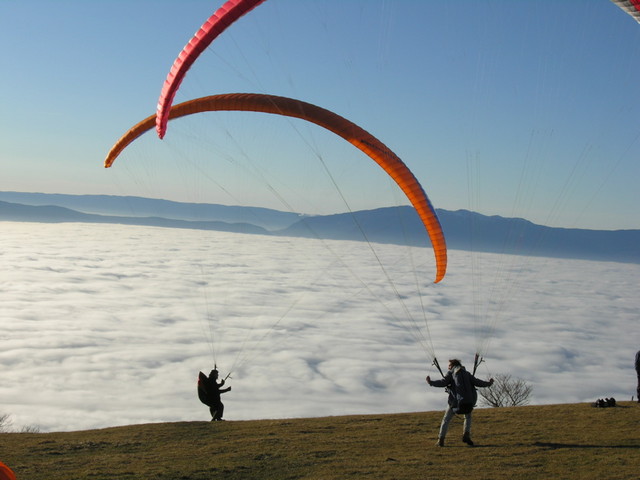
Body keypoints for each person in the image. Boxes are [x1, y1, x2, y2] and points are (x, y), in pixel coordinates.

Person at [426, 358, 493, 447]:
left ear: (452, 365)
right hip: (469, 401)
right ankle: (466, 434)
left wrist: (430, 382)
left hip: (455, 403)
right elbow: (478, 382)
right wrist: (489, 383)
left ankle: (441, 440)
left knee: (446, 419)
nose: (448, 367)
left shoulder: (451, 373)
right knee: (468, 417)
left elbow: (443, 382)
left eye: (449, 365)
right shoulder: (467, 374)